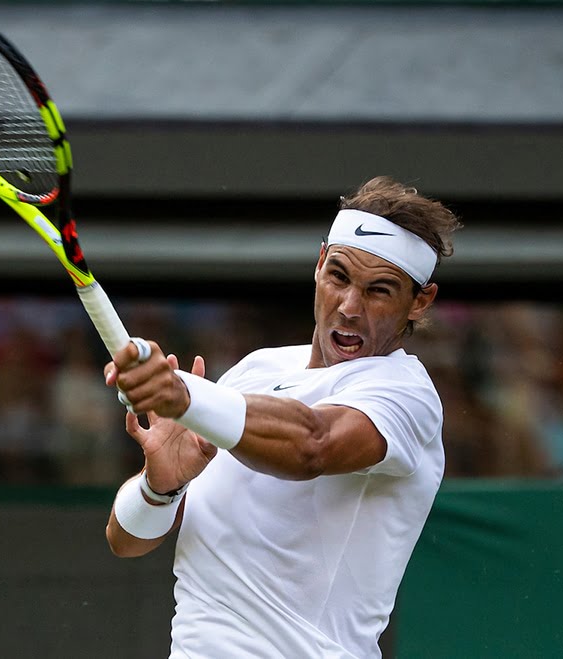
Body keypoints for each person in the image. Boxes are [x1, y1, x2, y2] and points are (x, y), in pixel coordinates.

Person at [104, 176, 461, 658]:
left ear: (420, 301)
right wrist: (159, 487)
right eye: (339, 276)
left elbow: (313, 444)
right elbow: (126, 542)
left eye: (379, 290)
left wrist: (184, 396)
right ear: (319, 265)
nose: (350, 307)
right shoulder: (256, 371)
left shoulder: (405, 392)